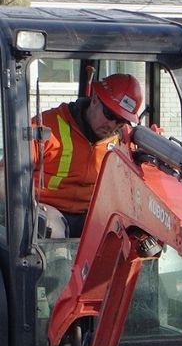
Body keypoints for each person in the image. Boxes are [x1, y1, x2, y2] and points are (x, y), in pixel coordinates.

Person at [33, 73, 144, 232]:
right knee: (52, 229)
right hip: (47, 208)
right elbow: (5, 177)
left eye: (121, 121)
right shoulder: (45, 127)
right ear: (95, 100)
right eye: (110, 115)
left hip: (93, 214)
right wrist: (29, 204)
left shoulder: (124, 140)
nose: (112, 125)